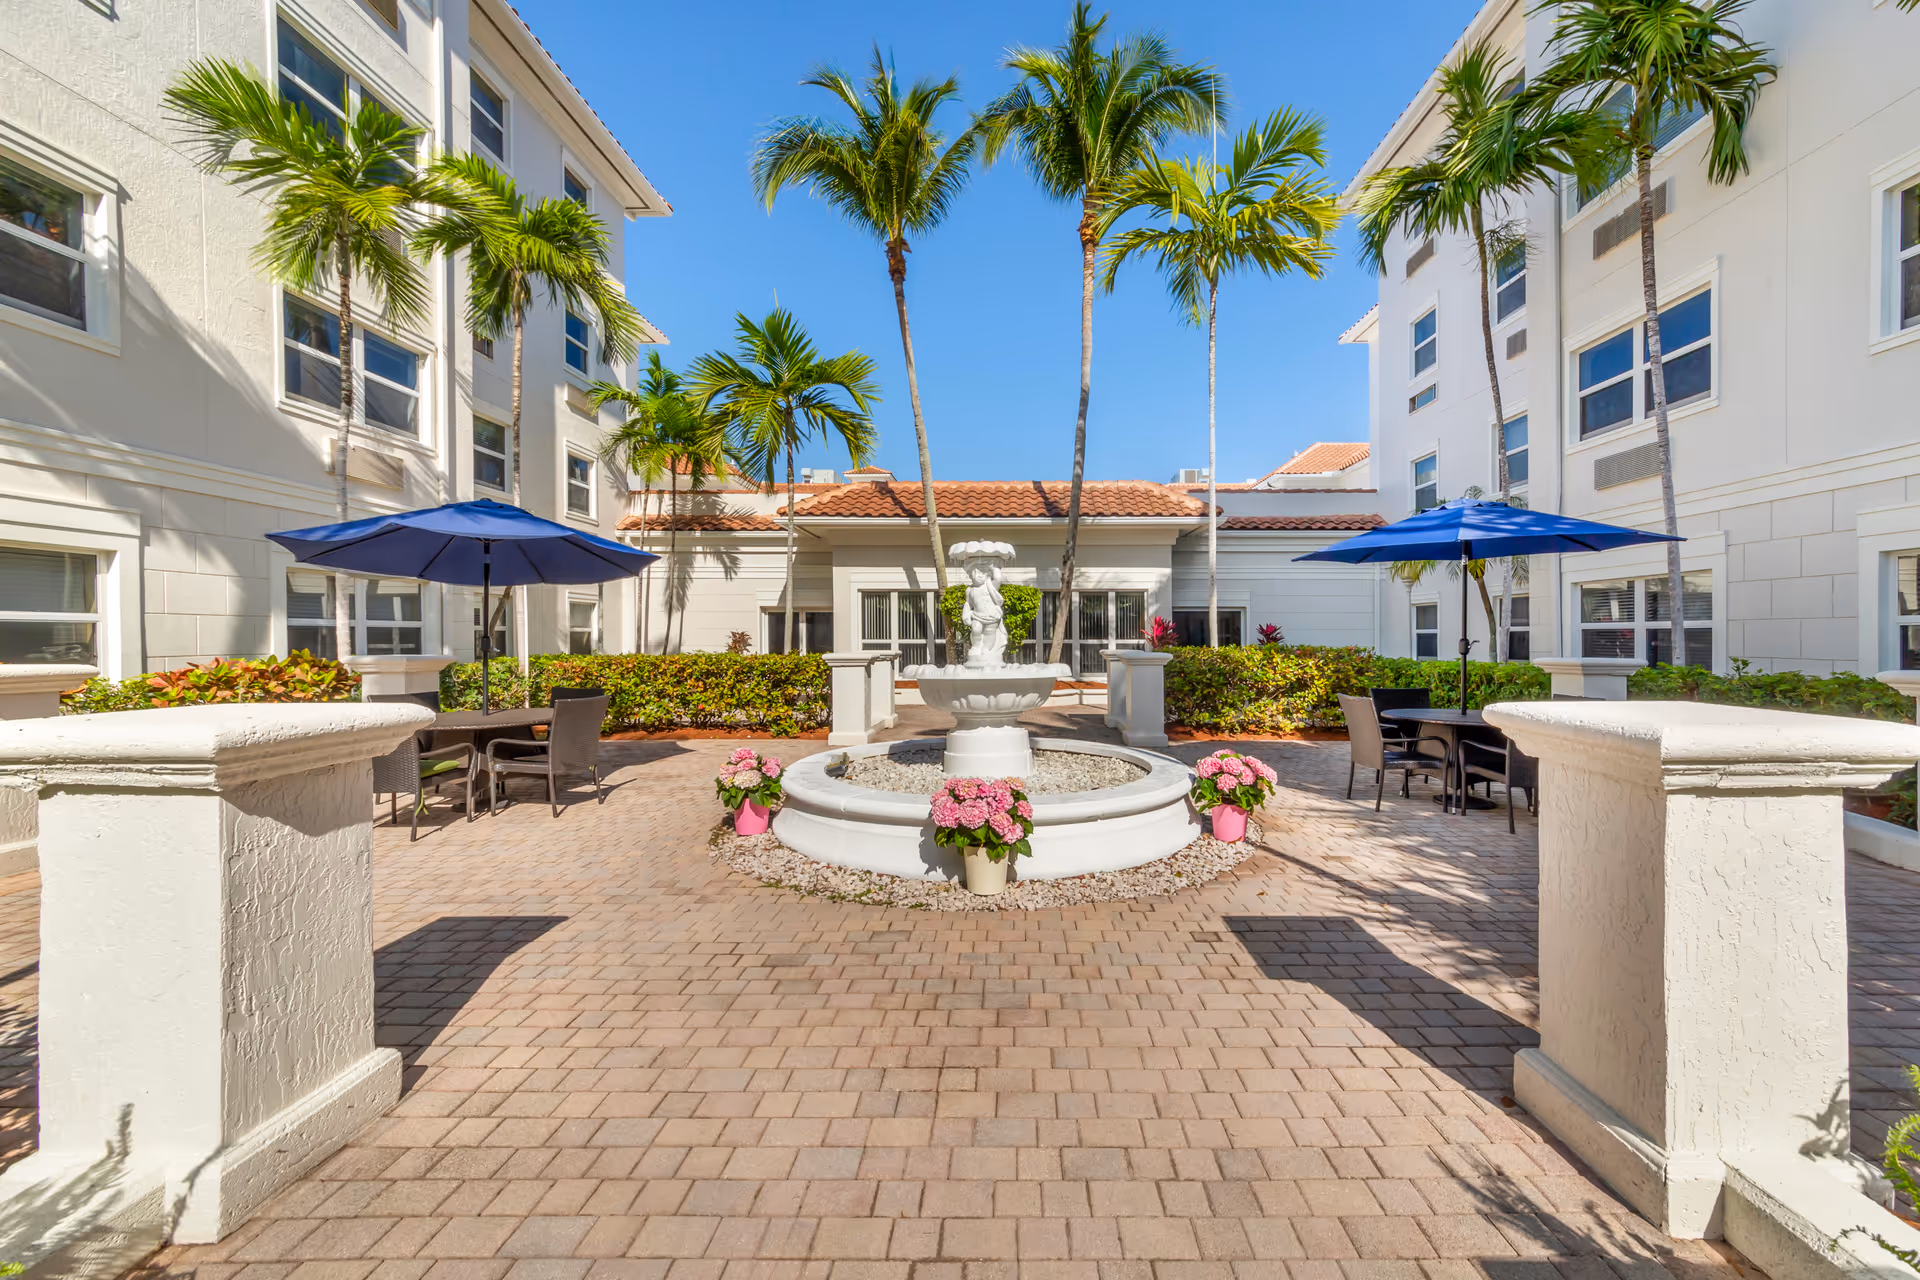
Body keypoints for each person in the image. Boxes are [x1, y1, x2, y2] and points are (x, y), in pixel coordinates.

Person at [961, 559, 1007, 668]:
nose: (979, 576)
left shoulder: (990, 585)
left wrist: (994, 567)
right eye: (975, 573)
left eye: (982, 573)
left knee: (989, 632)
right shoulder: (970, 590)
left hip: (992, 615)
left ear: (987, 574)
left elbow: (998, 578)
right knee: (976, 629)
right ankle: (976, 647)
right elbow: (968, 603)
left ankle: (987, 649)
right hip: (977, 615)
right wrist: (966, 614)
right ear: (971, 575)